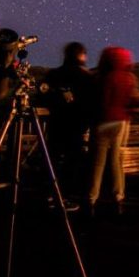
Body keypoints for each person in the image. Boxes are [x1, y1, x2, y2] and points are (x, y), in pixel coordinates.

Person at [41, 42, 95, 209]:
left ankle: (49, 194)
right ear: (81, 55)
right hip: (76, 124)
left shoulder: (54, 74)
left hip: (56, 122)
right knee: (72, 162)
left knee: (53, 160)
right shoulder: (85, 76)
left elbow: (43, 96)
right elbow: (91, 102)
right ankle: (64, 197)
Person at [86, 46, 137, 216]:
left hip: (102, 122)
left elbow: (99, 101)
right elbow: (133, 102)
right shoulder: (129, 78)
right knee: (116, 161)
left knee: (97, 163)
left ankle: (91, 199)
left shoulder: (101, 78)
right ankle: (118, 198)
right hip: (120, 122)